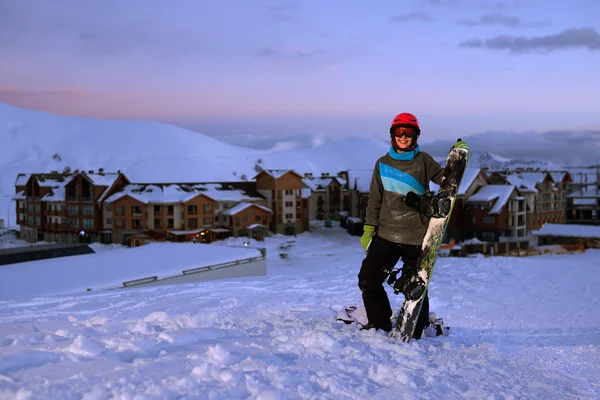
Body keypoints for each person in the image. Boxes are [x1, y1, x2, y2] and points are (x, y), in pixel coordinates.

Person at [357, 112, 468, 338]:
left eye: (408, 132)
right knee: (368, 280)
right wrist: (369, 229)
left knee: (417, 286)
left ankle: (416, 330)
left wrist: (456, 161)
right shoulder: (382, 164)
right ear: (392, 135)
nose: (403, 136)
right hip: (386, 235)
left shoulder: (424, 161)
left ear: (416, 136)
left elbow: (446, 183)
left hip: (417, 238)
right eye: (399, 132)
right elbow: (374, 201)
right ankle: (378, 324)